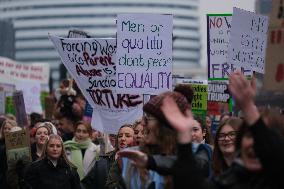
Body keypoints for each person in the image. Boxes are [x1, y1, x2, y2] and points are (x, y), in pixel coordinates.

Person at [160, 71, 284, 189]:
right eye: (249, 135)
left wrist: (248, 108)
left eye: (260, 134)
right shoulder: (231, 180)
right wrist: (184, 138)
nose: (254, 143)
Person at [105, 124, 135, 189]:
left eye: (127, 136)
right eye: (120, 136)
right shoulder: (103, 160)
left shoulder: (138, 162)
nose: (122, 139)